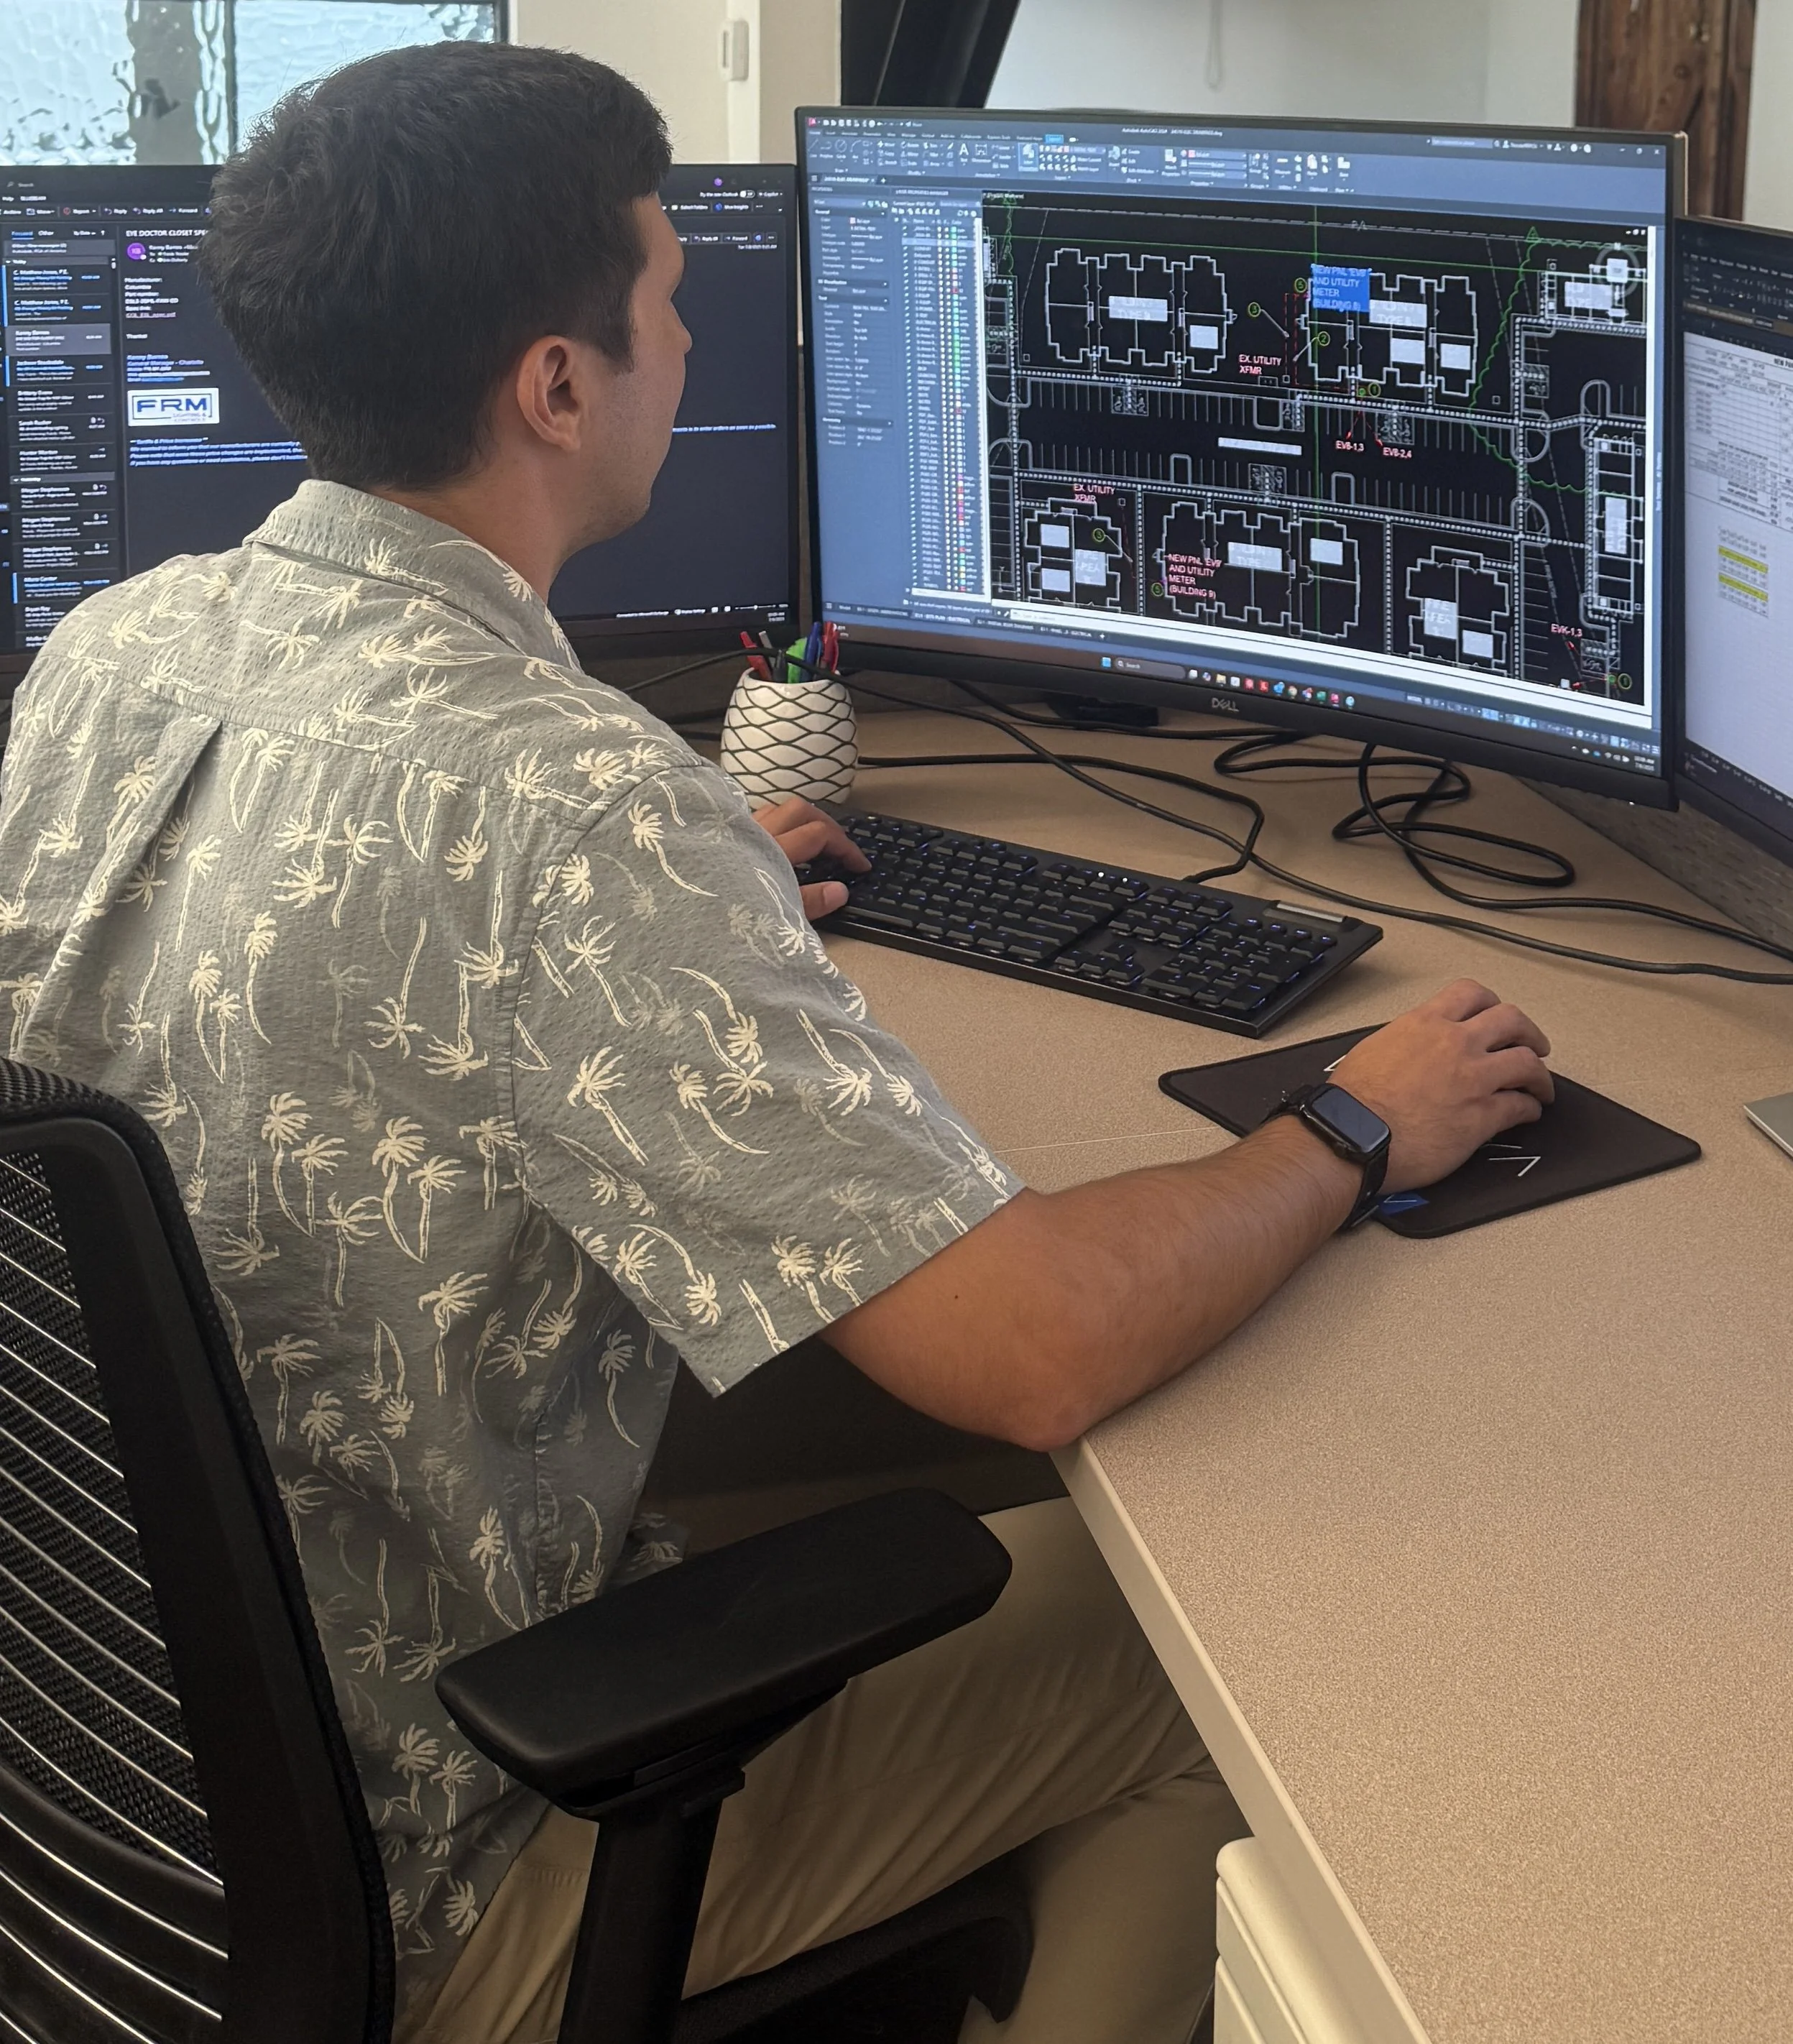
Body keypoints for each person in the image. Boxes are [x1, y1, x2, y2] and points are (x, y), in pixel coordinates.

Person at [0, 42, 1554, 2044]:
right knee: (1221, 1673)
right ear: (556, 387)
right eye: (666, 298)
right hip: (427, 1863)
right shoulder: (565, 810)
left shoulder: (124, 642)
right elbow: (1031, 1351)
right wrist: (1351, 1121)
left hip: (106, 1794)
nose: (688, 331)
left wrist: (675, 884)